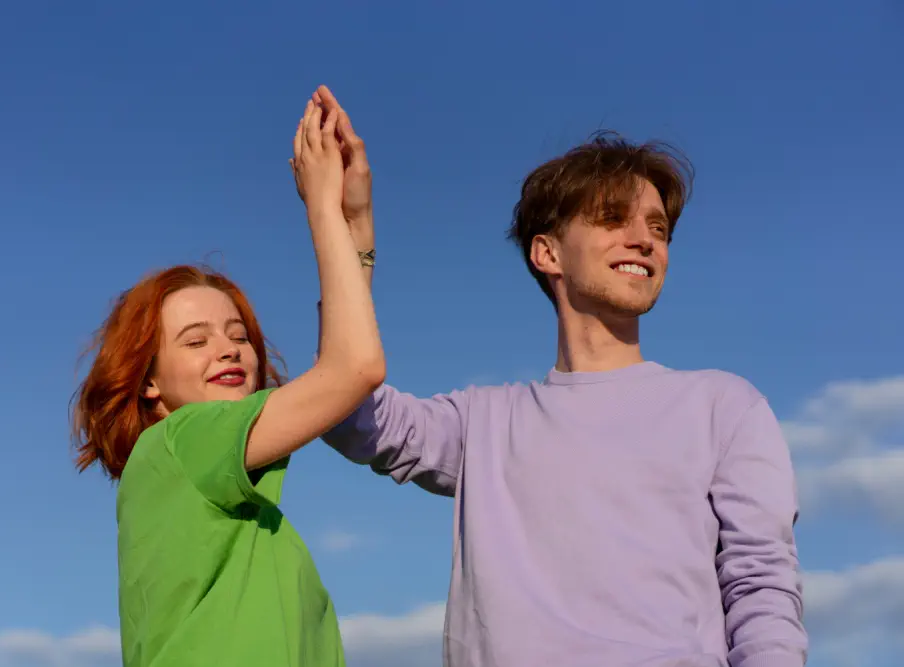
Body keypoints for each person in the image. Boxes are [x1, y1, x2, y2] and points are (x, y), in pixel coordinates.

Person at [314, 89, 807, 667]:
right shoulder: (483, 424)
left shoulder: (725, 407)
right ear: (547, 254)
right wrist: (350, 230)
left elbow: (762, 587)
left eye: (658, 227)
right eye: (612, 219)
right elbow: (346, 409)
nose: (645, 239)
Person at [71, 93, 383, 667]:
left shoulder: (221, 484)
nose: (227, 349)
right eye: (195, 341)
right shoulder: (181, 440)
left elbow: (342, 373)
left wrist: (355, 224)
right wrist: (322, 208)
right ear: (148, 382)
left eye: (238, 335)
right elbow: (354, 368)